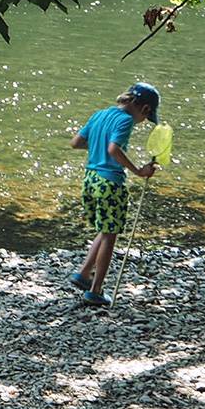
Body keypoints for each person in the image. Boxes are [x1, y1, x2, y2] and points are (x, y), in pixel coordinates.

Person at [68, 82, 161, 306]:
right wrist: (139, 171)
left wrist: (96, 148)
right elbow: (113, 149)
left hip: (90, 180)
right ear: (145, 109)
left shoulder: (99, 115)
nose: (142, 122)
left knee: (105, 229)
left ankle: (83, 273)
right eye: (146, 118)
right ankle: (96, 290)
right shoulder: (126, 120)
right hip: (110, 183)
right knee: (111, 235)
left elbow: (76, 143)